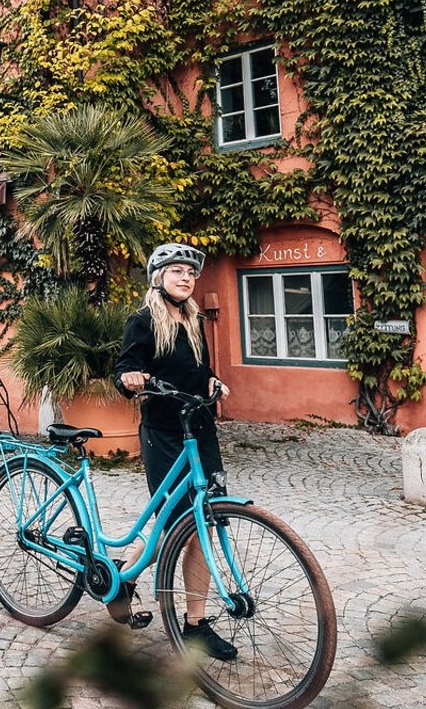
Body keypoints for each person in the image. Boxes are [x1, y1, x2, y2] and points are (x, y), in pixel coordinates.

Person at [110, 241, 237, 661]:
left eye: (190, 273)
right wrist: (130, 377)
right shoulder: (144, 320)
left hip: (199, 431)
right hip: (164, 432)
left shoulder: (193, 320)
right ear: (159, 278)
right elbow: (123, 368)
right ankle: (122, 576)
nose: (186, 278)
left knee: (204, 523)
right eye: (177, 271)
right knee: (172, 524)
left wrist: (213, 383)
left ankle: (195, 624)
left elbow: (197, 372)